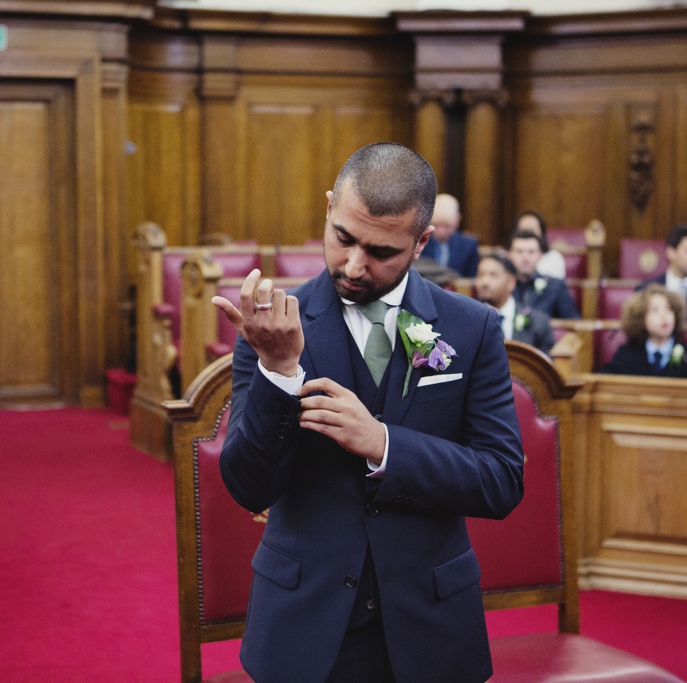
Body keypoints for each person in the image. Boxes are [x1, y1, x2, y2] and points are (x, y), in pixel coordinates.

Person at [212, 143, 524, 683]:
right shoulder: (273, 329)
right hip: (304, 625)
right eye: (343, 239)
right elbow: (248, 487)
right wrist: (281, 371)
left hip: (432, 626)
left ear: (422, 241)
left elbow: (501, 480)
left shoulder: (471, 329)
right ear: (329, 207)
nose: (355, 266)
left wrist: (386, 445)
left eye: (381, 251)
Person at [600, 284, 687, 379]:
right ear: (640, 318)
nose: (664, 316)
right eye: (655, 310)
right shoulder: (626, 355)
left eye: (669, 309)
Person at [476, 252, 555, 355]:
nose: (484, 282)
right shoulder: (467, 320)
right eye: (480, 275)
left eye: (493, 275)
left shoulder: (538, 322)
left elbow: (547, 367)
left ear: (511, 282)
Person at [507, 229, 580, 319]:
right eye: (519, 251)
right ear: (509, 255)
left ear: (540, 255)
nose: (525, 258)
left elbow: (572, 322)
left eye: (531, 252)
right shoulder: (501, 286)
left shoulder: (556, 286)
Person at [418, 193, 479, 277]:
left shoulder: (468, 245)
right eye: (437, 225)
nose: (441, 232)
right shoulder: (419, 241)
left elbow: (471, 280)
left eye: (447, 226)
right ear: (429, 218)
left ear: (457, 220)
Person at [513, 210, 567, 280]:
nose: (528, 234)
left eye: (532, 229)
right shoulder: (506, 256)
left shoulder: (553, 258)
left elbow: (556, 286)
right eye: (524, 230)